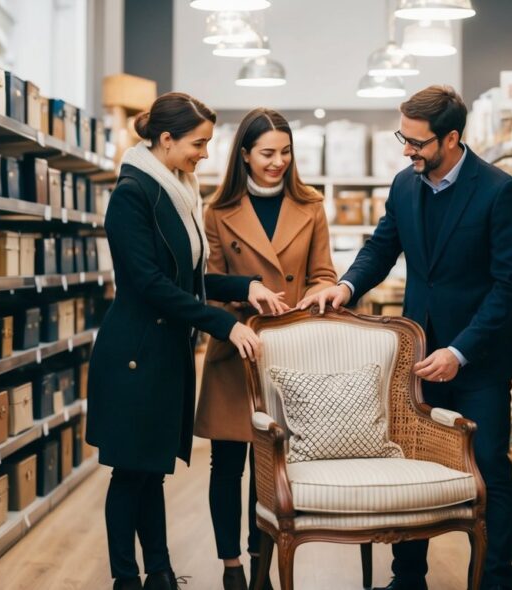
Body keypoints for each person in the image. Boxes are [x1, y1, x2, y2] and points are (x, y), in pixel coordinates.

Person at [299, 85, 512, 590]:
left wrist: (460, 351)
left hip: (479, 360)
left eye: (416, 142)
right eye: (403, 137)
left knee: (487, 467)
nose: (407, 149)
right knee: (410, 461)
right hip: (419, 352)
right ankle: (408, 578)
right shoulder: (405, 185)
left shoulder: (498, 191)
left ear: (451, 138)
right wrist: (345, 285)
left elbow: (509, 284)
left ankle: (494, 581)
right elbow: (382, 247)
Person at [86, 92, 288, 590]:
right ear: (166, 138)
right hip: (133, 353)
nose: (205, 153)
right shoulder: (133, 194)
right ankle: (126, 577)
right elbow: (152, 285)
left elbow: (191, 278)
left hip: (163, 353)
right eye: (198, 143)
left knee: (149, 470)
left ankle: (159, 570)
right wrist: (226, 324)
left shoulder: (179, 189)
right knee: (129, 471)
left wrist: (247, 288)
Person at [194, 107, 337, 590]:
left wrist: (319, 294)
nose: (278, 162)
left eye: (286, 152)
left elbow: (323, 273)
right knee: (227, 464)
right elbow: (206, 285)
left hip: (290, 355)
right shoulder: (217, 210)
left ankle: (262, 569)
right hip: (235, 350)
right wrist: (246, 289)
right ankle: (231, 566)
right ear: (246, 156)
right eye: (268, 153)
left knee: (272, 467)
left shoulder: (311, 204)